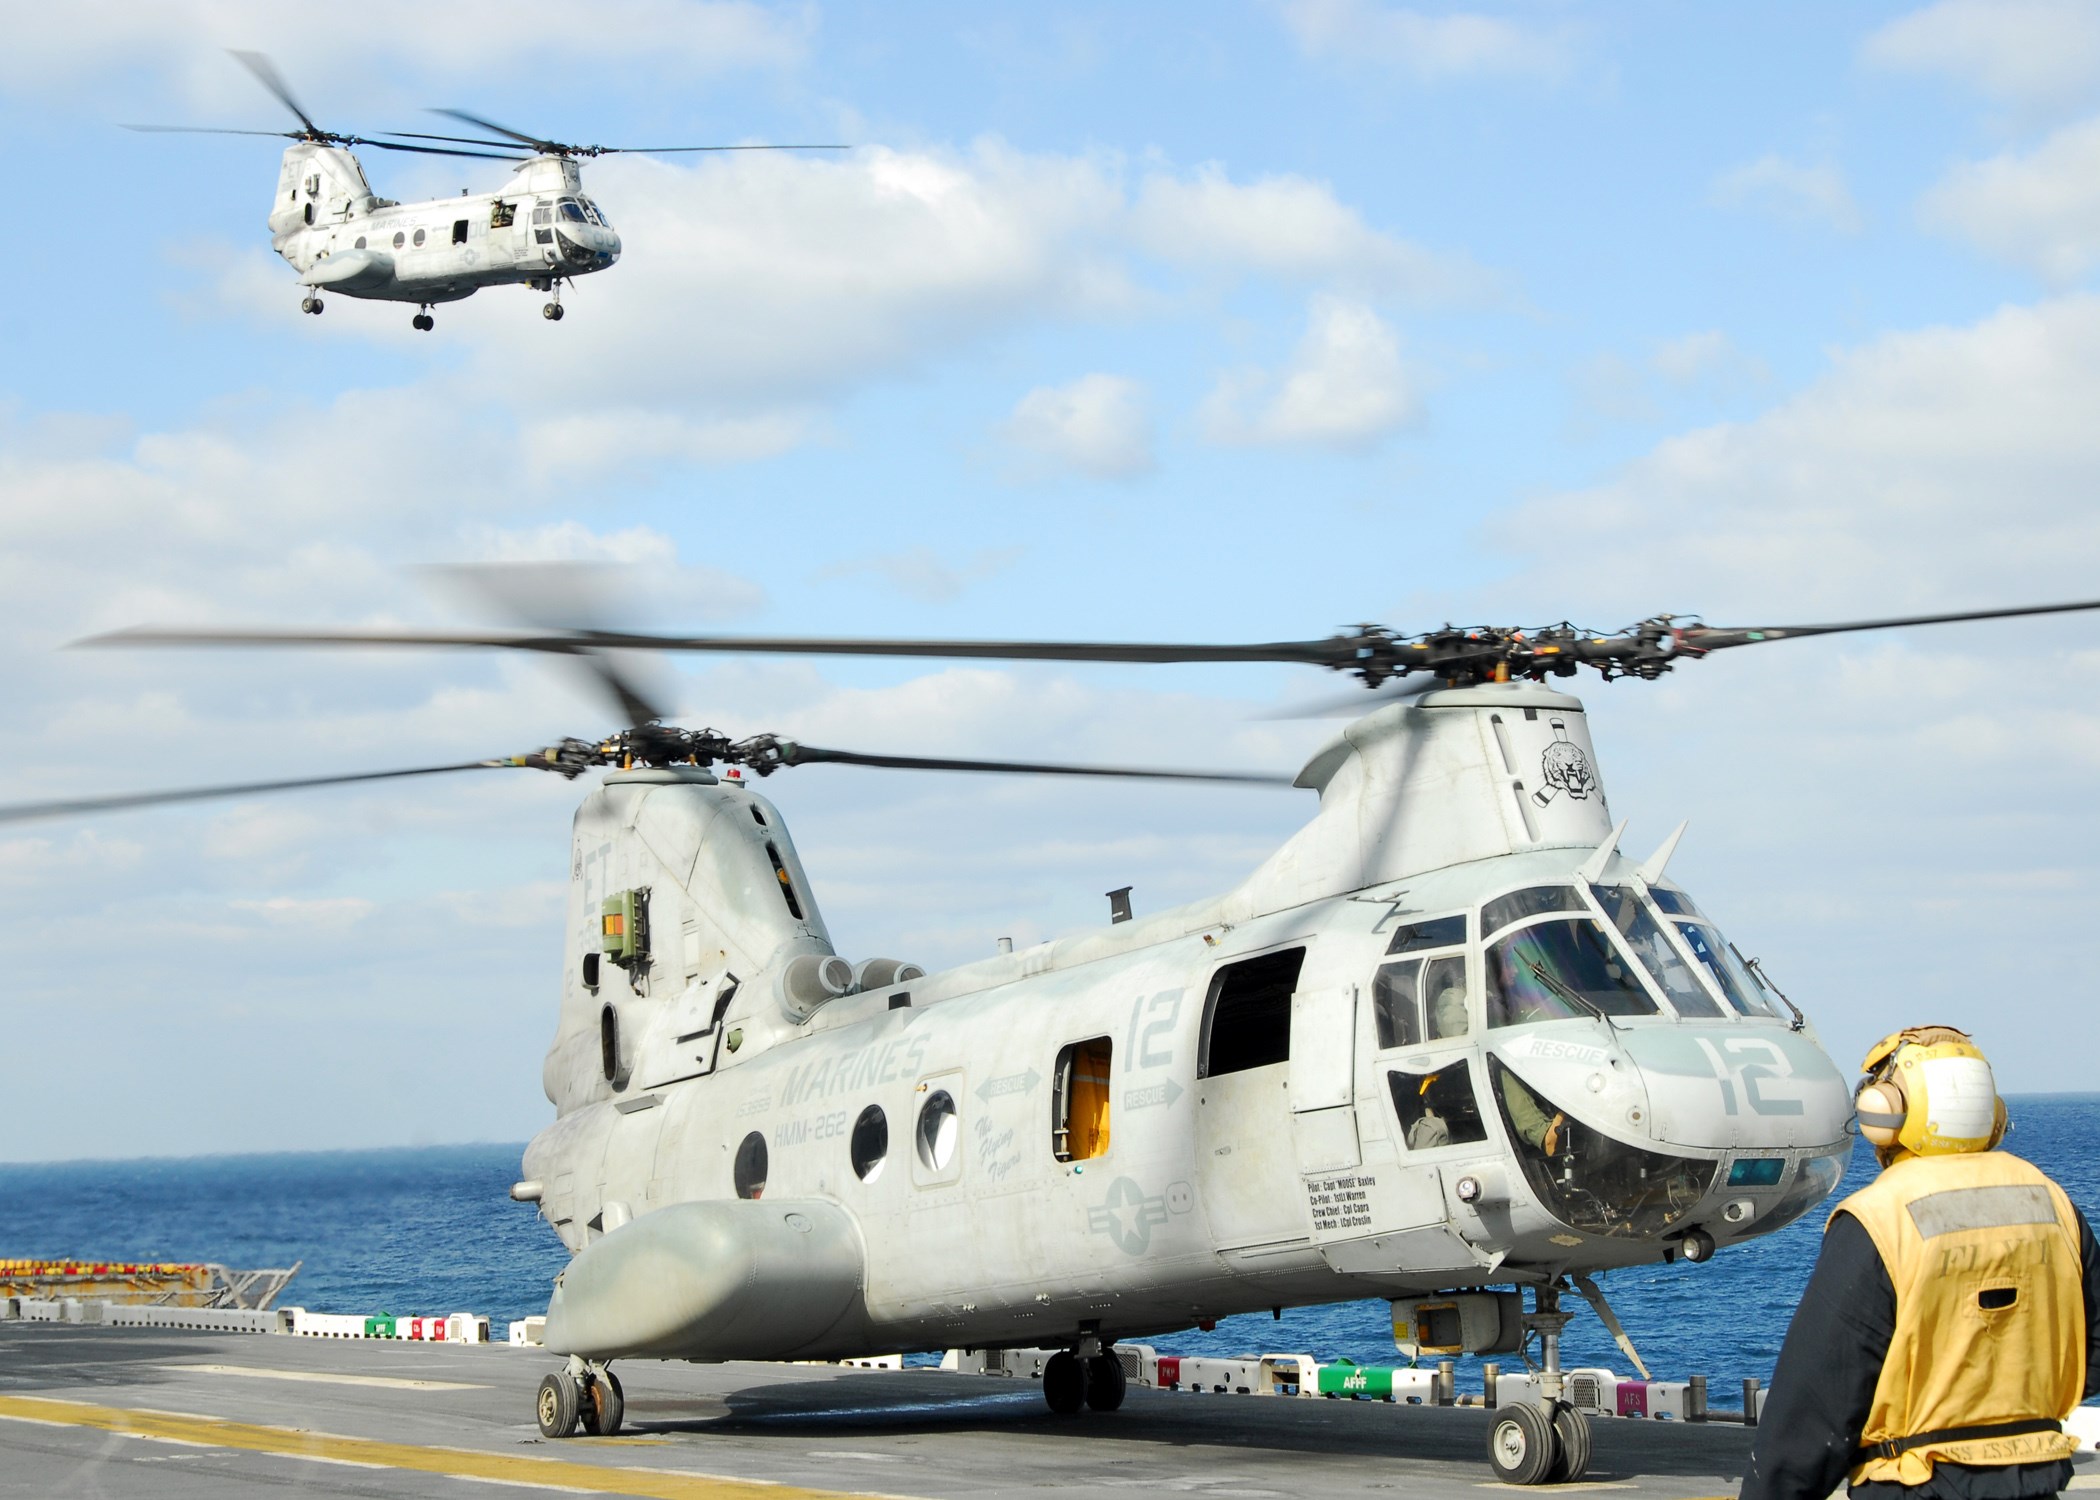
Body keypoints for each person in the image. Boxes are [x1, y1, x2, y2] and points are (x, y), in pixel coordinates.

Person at [1741, 1026, 2100, 1500]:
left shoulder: (1880, 1218)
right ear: (1992, 1114)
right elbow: (2092, 1353)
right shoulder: (2054, 1204)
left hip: (1914, 1483)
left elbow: (1816, 1404)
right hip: (2034, 1481)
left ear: (1886, 1113)